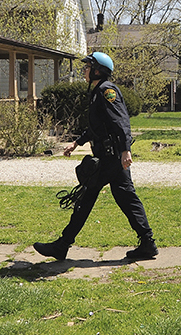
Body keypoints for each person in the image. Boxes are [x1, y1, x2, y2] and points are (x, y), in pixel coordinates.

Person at [34, 52, 158, 260]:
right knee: (125, 199)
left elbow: (120, 122)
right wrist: (77, 143)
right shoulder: (97, 91)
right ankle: (147, 243)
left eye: (88, 67)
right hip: (109, 157)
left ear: (98, 70)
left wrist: (126, 149)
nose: (84, 70)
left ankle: (62, 245)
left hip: (111, 158)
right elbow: (98, 127)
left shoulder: (107, 91)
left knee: (88, 198)